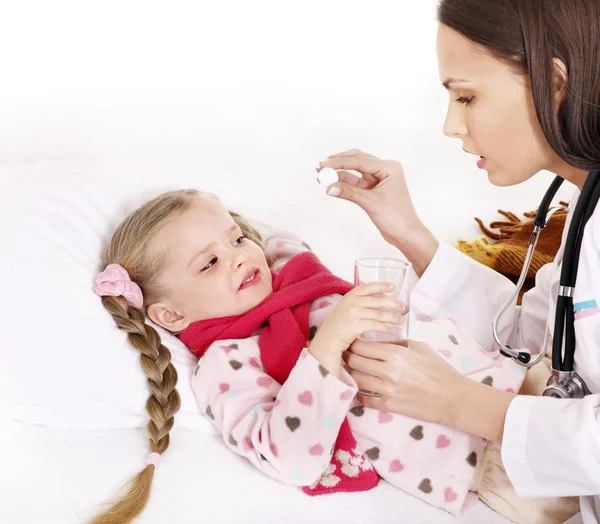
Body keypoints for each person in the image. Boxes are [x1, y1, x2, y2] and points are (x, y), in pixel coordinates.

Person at [90, 189, 560, 524]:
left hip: (531, 381)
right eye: (209, 263)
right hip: (493, 454)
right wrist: (328, 344)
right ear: (169, 314)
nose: (238, 257)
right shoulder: (227, 363)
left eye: (236, 239)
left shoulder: (295, 273)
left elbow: (273, 235)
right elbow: (289, 456)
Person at [319, 1, 600, 523]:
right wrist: (409, 232)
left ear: (553, 83)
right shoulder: (587, 213)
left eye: (466, 96)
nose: (451, 125)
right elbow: (522, 340)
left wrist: (457, 402)